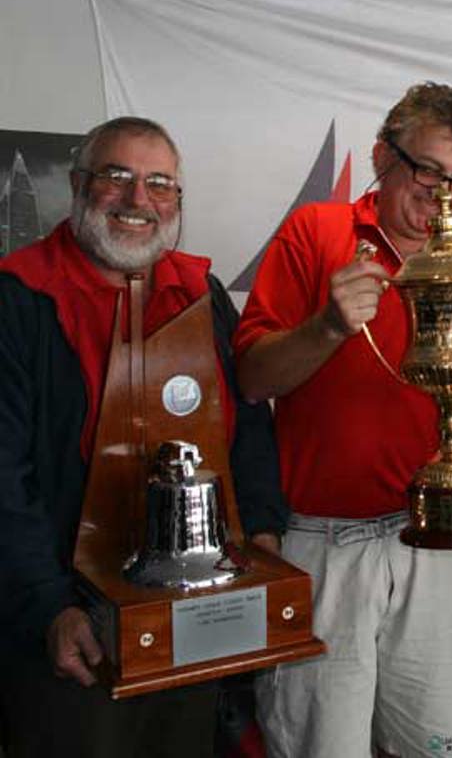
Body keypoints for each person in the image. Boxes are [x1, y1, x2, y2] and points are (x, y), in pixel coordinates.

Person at [235, 81, 452, 758]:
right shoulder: (316, 233)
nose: (443, 193)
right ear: (383, 154)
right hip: (322, 544)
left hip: (434, 546)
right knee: (323, 746)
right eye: (428, 170)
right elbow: (253, 379)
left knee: (437, 744)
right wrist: (326, 326)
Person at [0, 116, 287, 758]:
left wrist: (262, 531)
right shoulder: (18, 299)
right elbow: (3, 481)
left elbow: (248, 424)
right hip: (72, 626)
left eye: (160, 184)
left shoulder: (200, 292)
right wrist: (47, 606)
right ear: (79, 185)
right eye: (117, 177)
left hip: (190, 615)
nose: (138, 201)